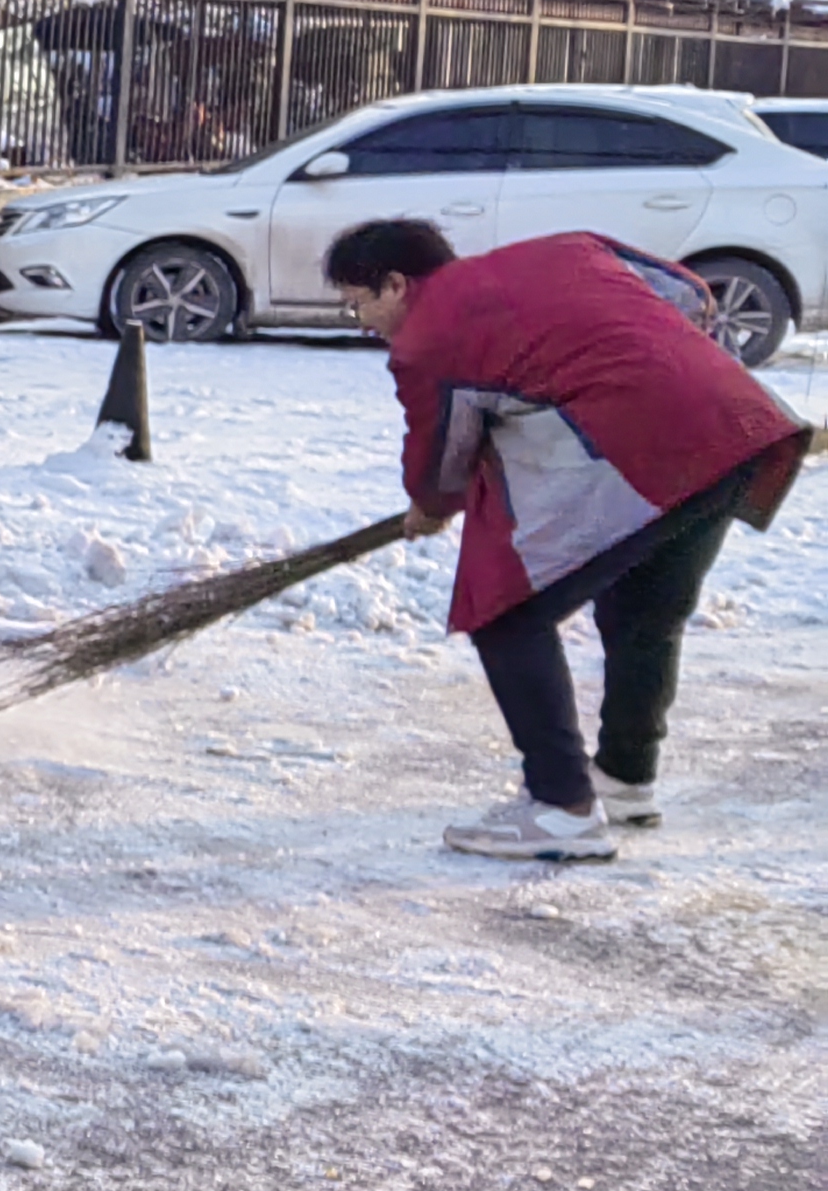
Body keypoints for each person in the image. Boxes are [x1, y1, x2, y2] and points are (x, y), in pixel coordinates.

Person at [329, 219, 803, 860]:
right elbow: (690, 294)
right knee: (645, 611)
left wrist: (432, 509)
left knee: (505, 614)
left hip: (655, 454)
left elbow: (443, 457)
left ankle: (561, 808)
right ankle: (626, 779)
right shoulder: (569, 246)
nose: (359, 320)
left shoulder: (429, 338)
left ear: (396, 283)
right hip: (739, 428)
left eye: (359, 302)